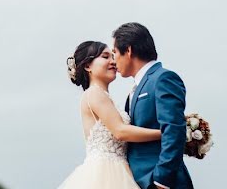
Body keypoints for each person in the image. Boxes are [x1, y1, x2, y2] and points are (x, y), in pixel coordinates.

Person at [57, 41, 162, 189]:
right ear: (88, 66)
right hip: (106, 173)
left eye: (113, 56)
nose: (113, 61)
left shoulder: (105, 97)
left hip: (121, 170)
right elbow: (120, 131)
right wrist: (165, 133)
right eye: (105, 57)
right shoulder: (94, 93)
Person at [112, 22, 193, 189]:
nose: (114, 60)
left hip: (160, 182)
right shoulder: (134, 90)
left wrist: (161, 182)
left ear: (128, 50)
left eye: (114, 53)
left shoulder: (163, 78)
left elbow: (173, 129)